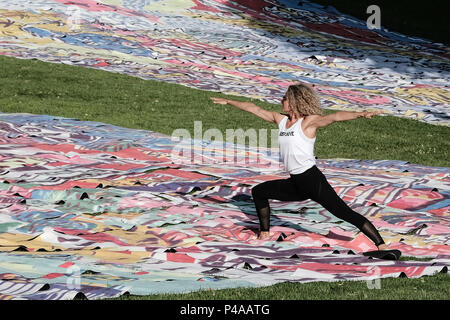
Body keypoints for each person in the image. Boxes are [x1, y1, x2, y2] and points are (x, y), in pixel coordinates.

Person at [211, 83, 401, 260]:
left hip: (312, 180)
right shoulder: (281, 120)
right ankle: (264, 232)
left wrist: (360, 114)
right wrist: (228, 101)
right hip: (295, 183)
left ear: (293, 101)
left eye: (284, 98)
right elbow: (254, 108)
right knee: (259, 191)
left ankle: (382, 247)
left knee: (344, 212)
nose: (281, 101)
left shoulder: (307, 123)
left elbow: (334, 117)